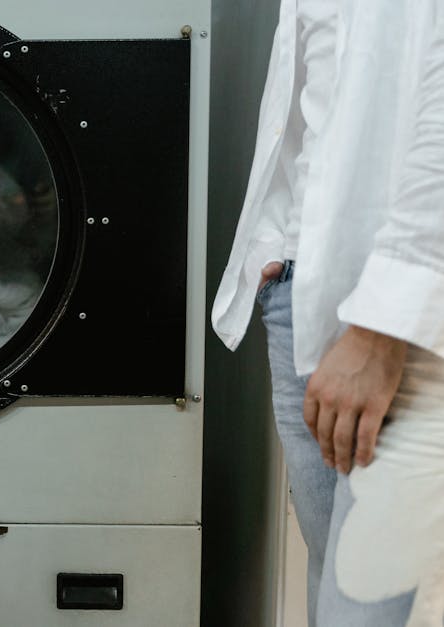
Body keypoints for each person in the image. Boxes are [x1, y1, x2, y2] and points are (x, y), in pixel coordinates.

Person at [213, 1, 444, 625]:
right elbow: (317, 92)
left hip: (404, 321)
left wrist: (381, 329)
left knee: (357, 604)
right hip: (299, 289)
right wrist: (276, 247)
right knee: (327, 583)